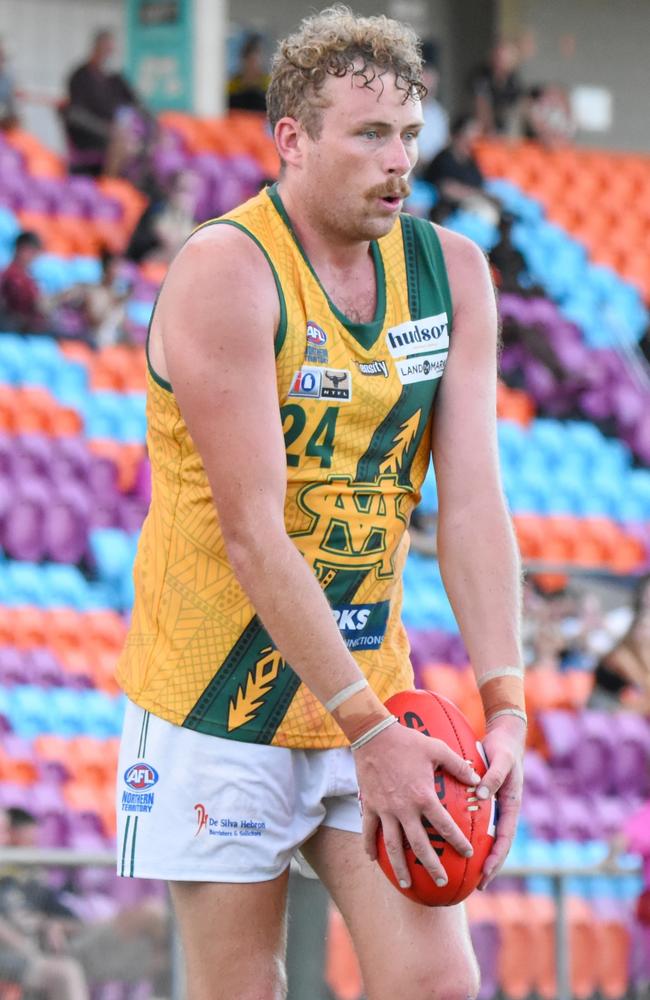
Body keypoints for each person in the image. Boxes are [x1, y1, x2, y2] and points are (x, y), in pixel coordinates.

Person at [115, 6, 525, 999]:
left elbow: (469, 503)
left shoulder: (450, 272)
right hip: (216, 703)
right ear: (290, 139)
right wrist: (370, 733)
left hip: (371, 691)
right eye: (368, 134)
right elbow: (256, 535)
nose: (398, 162)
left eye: (409, 136)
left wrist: (504, 701)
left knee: (436, 983)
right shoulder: (227, 270)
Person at [62, 29, 139, 176]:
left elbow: (135, 101)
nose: (109, 55)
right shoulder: (80, 76)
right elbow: (76, 114)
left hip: (116, 130)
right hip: (89, 133)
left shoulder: (115, 78)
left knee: (139, 141)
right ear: (96, 49)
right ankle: (110, 185)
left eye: (111, 51)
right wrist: (106, 129)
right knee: (120, 142)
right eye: (106, 50)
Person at [424, 114, 501, 226]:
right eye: (470, 135)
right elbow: (447, 189)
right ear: (458, 135)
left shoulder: (472, 162)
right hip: (449, 213)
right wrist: (479, 194)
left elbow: (480, 184)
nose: (474, 140)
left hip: (471, 209)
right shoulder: (444, 158)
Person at [589, 574, 650, 713]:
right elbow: (644, 681)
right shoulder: (621, 654)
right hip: (603, 709)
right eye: (644, 628)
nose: (647, 634)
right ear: (634, 629)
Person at [471, 40, 524, 136]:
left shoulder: (513, 80)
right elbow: (481, 105)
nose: (501, 62)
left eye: (506, 59)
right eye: (499, 58)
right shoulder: (482, 77)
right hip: (481, 127)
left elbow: (517, 105)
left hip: (504, 126)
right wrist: (490, 129)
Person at [0, 231, 48, 333]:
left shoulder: (27, 276)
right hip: (15, 327)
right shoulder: (12, 276)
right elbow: (32, 306)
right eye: (32, 252)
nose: (35, 258)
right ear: (21, 250)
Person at [227, 32, 270, 113]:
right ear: (244, 60)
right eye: (251, 60)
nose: (255, 64)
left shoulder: (269, 86)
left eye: (258, 59)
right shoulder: (232, 87)